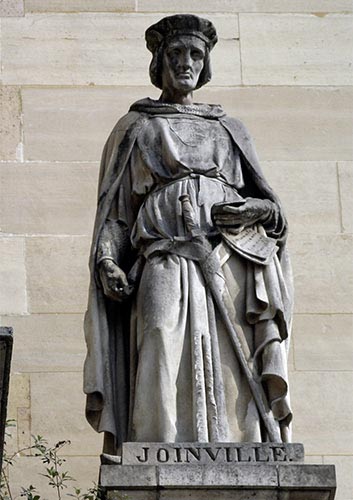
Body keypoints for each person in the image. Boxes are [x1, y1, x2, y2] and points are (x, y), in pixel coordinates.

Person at [83, 14, 293, 455]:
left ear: (206, 63)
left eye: (196, 54)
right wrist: (106, 260)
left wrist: (256, 208)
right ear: (159, 61)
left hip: (229, 253)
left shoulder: (228, 129)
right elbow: (117, 216)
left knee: (234, 357)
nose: (186, 63)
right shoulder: (137, 127)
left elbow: (273, 213)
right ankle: (156, 445)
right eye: (176, 53)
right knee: (158, 333)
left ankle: (237, 446)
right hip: (163, 253)